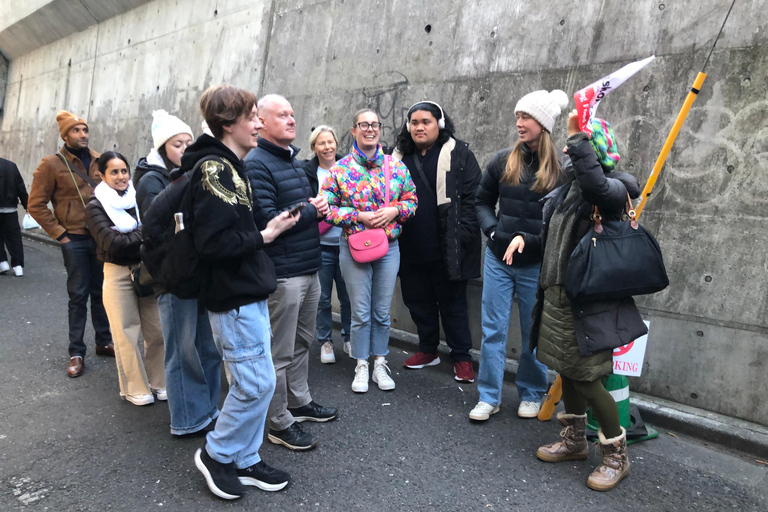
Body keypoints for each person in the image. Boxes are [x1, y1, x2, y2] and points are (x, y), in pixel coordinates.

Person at [504, 114, 645, 491]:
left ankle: (616, 454)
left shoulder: (614, 190)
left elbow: (597, 182)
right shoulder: (568, 192)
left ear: (591, 152)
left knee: (587, 376)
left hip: (586, 301)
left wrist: (576, 131)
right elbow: (553, 239)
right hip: (556, 296)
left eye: (575, 147)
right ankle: (574, 440)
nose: (565, 151)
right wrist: (526, 240)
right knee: (565, 369)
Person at [189, 84, 297, 499]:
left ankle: (246, 459)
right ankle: (217, 455)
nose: (258, 123)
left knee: (261, 381)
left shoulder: (230, 165)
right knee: (253, 384)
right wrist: (265, 234)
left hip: (243, 292)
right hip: (232, 296)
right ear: (228, 122)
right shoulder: (215, 170)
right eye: (252, 116)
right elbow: (212, 244)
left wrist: (263, 233)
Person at [245, 94, 338, 452]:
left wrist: (318, 207)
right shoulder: (257, 164)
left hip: (307, 267)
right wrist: (316, 210)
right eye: (281, 114)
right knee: (279, 352)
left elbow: (302, 209)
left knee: (303, 342)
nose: (291, 119)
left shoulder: (294, 162)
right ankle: (279, 421)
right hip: (283, 274)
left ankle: (300, 402)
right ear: (262, 122)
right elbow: (268, 219)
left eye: (292, 113)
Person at [470, 90, 570, 421]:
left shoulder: (562, 167)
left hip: (535, 264)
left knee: (533, 332)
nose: (519, 123)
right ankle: (488, 396)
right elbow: (481, 202)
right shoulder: (502, 160)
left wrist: (529, 240)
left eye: (526, 117)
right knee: (493, 330)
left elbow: (561, 222)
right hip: (499, 259)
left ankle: (531, 392)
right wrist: (496, 233)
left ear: (543, 123)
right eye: (517, 117)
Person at [134, 110, 221, 435]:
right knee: (182, 349)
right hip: (172, 277)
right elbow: (160, 228)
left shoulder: (191, 174)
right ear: (162, 148)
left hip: (197, 273)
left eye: (188, 142)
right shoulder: (151, 180)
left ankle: (209, 410)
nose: (185, 149)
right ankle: (186, 419)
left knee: (208, 348)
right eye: (177, 144)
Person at [323, 109, 418, 393]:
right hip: (353, 245)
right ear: (353, 130)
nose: (370, 129)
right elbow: (327, 208)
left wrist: (395, 210)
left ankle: (380, 362)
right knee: (361, 311)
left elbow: (412, 201)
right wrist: (358, 216)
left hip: (388, 246)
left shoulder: (395, 167)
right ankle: (361, 364)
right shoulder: (339, 169)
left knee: (381, 311)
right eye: (363, 125)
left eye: (375, 124)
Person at [392, 101, 482, 383]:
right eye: (414, 122)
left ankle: (462, 357)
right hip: (410, 247)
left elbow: (474, 200)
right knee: (417, 302)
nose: (419, 127)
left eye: (426, 121)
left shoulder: (460, 154)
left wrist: (463, 236)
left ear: (439, 124)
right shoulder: (398, 158)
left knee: (454, 305)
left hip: (448, 247)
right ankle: (428, 349)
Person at [28, 111, 114, 378]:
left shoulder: (102, 161)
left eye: (85, 130)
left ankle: (104, 341)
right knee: (78, 295)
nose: (83, 135)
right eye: (76, 131)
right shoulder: (52, 164)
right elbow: (35, 205)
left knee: (102, 292)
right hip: (73, 238)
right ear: (65, 136)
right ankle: (77, 352)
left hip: (100, 238)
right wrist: (60, 234)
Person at [85, 152, 166, 405]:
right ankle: (135, 388)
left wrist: (134, 235)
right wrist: (143, 232)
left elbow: (152, 229)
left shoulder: (137, 197)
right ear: (102, 175)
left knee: (157, 330)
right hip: (117, 273)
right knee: (125, 332)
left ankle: (160, 382)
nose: (121, 177)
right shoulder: (95, 205)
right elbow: (113, 244)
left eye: (124, 171)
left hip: (147, 270)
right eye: (114, 172)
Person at [302, 125, 351, 364]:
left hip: (348, 243)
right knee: (322, 298)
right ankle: (325, 341)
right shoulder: (306, 172)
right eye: (321, 143)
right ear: (314, 148)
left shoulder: (349, 167)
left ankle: (350, 337)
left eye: (330, 142)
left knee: (348, 295)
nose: (327, 147)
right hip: (319, 244)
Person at [0, 157, 28, 276]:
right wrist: (27, 205)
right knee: (14, 236)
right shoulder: (11, 165)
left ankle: (2, 262)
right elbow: (20, 187)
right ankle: (18, 266)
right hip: (10, 207)